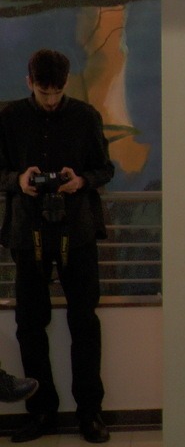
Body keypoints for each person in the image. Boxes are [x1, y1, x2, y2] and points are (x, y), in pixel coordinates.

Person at [0, 49, 115, 443]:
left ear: (66, 84)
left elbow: (105, 169)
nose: (50, 100)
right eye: (43, 92)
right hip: (26, 233)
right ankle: (42, 412)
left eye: (57, 92)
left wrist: (80, 180)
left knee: (84, 322)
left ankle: (90, 413)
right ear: (29, 82)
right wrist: (18, 180)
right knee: (30, 325)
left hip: (77, 233)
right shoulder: (9, 118)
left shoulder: (86, 116)